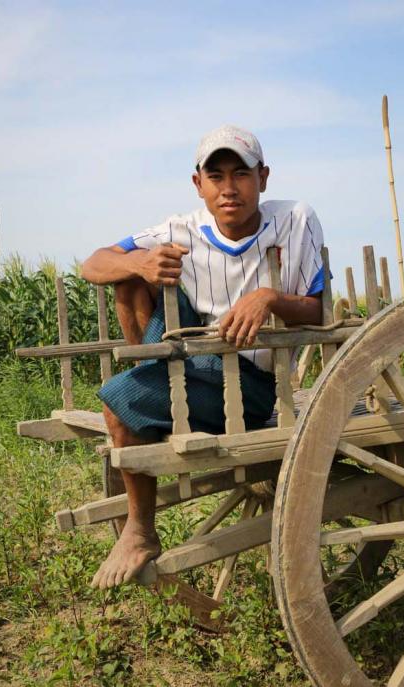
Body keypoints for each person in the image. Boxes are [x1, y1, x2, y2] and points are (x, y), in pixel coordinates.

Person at [80, 125, 325, 589]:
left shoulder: (296, 219)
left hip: (251, 384)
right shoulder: (181, 229)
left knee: (114, 404)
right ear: (199, 185)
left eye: (241, 174)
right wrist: (139, 263)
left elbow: (319, 306)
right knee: (128, 274)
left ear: (264, 178)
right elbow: (93, 263)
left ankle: (140, 529)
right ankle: (147, 389)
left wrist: (269, 298)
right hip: (190, 361)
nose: (229, 188)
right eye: (216, 176)